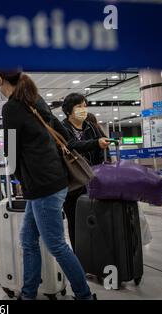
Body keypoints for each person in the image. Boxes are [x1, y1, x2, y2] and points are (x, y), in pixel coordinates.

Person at [0, 69, 95, 300]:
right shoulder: (34, 100)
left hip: (43, 185)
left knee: (56, 245)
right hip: (51, 179)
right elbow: (59, 131)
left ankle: (84, 295)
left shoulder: (11, 107)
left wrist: (20, 178)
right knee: (28, 240)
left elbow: (11, 150)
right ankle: (28, 293)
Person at [61, 94, 110, 250]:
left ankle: (96, 256)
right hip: (73, 184)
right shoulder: (62, 128)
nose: (83, 109)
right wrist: (95, 143)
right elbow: (71, 145)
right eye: (78, 106)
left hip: (94, 182)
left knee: (95, 221)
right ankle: (80, 257)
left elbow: (105, 150)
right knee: (75, 222)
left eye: (84, 106)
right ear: (69, 110)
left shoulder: (92, 127)